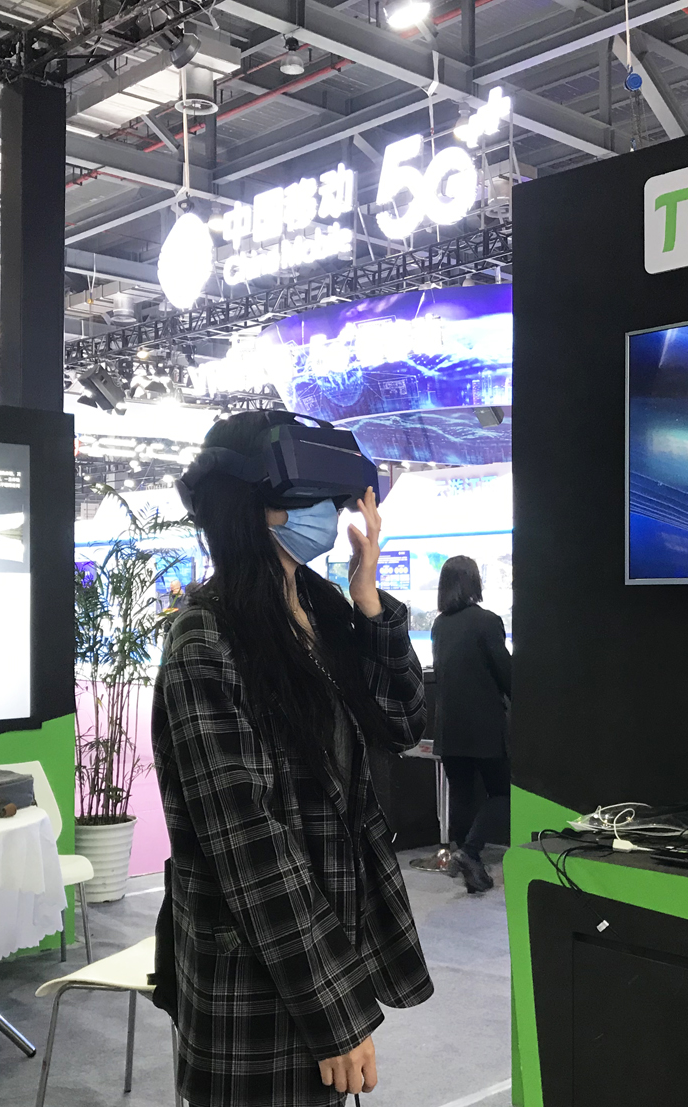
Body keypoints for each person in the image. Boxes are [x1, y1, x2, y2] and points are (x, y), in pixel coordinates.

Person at [150, 411, 434, 1107]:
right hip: (256, 974)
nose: (329, 516)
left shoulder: (318, 606)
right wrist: (334, 1012)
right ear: (260, 507)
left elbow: (402, 722)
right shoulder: (206, 641)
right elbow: (250, 846)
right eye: (313, 499)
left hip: (326, 937)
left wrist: (369, 601)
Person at [430, 555, 512, 894]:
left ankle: (469, 865)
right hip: (484, 727)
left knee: (462, 796)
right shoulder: (487, 621)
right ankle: (471, 851)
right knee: (503, 792)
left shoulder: (439, 625)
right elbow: (507, 674)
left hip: (448, 727)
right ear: (474, 582)